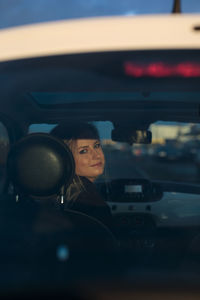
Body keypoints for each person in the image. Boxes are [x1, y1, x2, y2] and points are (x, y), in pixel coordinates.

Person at [50, 122, 113, 229]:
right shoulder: (89, 202)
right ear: (64, 160)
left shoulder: (56, 194)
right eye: (83, 151)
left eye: (96, 146)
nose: (96, 155)